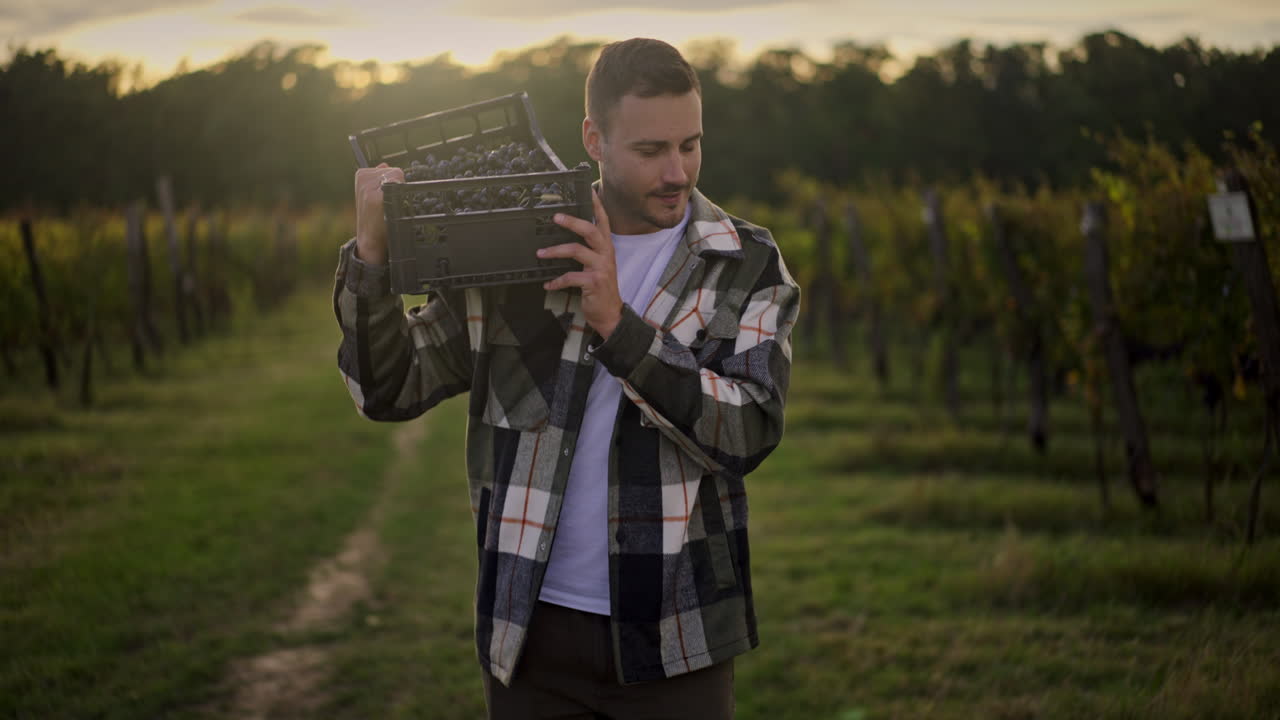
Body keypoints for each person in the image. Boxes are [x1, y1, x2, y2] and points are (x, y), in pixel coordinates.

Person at [335, 37, 800, 720]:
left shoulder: (745, 262)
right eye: (650, 151)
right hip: (531, 632)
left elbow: (750, 429)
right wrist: (371, 262)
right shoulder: (518, 247)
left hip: (679, 637)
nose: (678, 172)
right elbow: (389, 390)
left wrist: (620, 326)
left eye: (691, 145)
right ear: (594, 139)